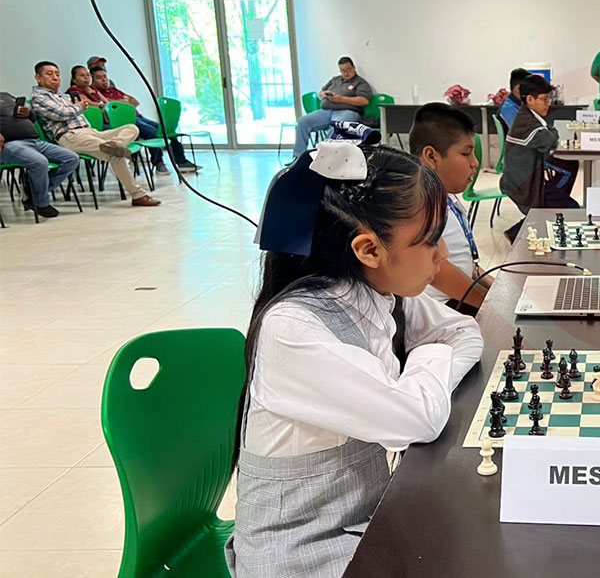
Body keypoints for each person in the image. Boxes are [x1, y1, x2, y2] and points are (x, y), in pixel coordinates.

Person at [227, 142, 483, 577]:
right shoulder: (294, 329)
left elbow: (464, 332)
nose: (441, 256)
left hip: (365, 521)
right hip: (299, 551)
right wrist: (430, 355)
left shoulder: (376, 289)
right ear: (368, 250)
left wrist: (423, 370)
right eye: (429, 241)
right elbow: (418, 418)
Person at [30, 61, 160, 207]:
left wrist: (77, 106)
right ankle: (138, 195)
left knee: (132, 128)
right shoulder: (39, 97)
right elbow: (61, 114)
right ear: (38, 78)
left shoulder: (63, 96)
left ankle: (116, 144)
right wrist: (78, 106)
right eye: (49, 74)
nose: (55, 77)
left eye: (57, 74)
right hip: (71, 135)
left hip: (91, 132)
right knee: (114, 154)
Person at [409, 103, 492, 315]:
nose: (475, 163)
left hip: (460, 298)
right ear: (432, 156)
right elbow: (439, 273)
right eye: (466, 153)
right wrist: (492, 304)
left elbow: (463, 261)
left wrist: (496, 289)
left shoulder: (445, 198)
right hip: (442, 309)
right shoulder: (420, 203)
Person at [499, 74, 577, 243]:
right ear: (530, 99)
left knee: (569, 167)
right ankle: (517, 232)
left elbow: (550, 133)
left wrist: (552, 132)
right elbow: (549, 139)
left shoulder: (528, 116)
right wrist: (553, 132)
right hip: (521, 184)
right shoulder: (525, 123)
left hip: (528, 178)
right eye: (544, 99)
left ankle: (526, 227)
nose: (548, 103)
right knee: (571, 208)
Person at [91, 66, 199, 175]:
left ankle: (182, 162)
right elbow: (110, 106)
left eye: (105, 76)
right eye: (99, 78)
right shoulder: (96, 94)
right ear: (93, 81)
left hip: (138, 116)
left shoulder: (114, 90)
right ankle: (158, 163)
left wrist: (118, 103)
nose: (104, 80)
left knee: (165, 130)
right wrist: (123, 101)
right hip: (126, 121)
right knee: (152, 133)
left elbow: (134, 102)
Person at [0, 91, 79, 218]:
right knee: (40, 162)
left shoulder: (6, 96)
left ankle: (32, 191)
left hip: (34, 141)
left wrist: (29, 113)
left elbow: (33, 118)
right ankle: (40, 203)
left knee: (71, 158)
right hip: (9, 144)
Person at [292, 56, 374, 158]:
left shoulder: (360, 83)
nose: (346, 73)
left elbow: (364, 100)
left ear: (353, 67)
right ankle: (298, 156)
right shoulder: (335, 80)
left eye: (348, 69)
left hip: (348, 111)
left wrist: (342, 99)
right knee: (303, 121)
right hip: (326, 111)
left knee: (336, 126)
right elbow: (321, 92)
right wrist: (323, 94)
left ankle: (322, 156)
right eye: (342, 70)